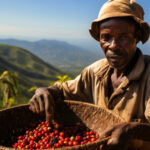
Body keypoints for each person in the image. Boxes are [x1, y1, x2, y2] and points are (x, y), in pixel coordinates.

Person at [29, 0, 150, 149]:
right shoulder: (95, 72)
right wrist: (46, 91)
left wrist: (134, 130)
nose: (113, 45)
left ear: (137, 36)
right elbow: (63, 90)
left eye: (123, 37)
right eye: (106, 37)